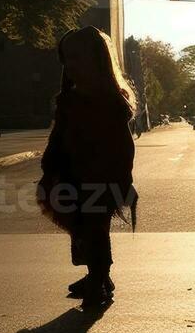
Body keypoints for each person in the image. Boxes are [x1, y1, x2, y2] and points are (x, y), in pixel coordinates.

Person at [37, 27, 138, 308]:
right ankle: (98, 276)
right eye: (66, 59)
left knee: (95, 229)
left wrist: (123, 179)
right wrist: (50, 167)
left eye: (77, 58)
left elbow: (123, 146)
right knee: (81, 229)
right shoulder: (69, 100)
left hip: (101, 177)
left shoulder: (110, 101)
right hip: (72, 176)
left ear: (98, 61)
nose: (71, 66)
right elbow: (59, 137)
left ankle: (98, 278)